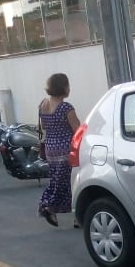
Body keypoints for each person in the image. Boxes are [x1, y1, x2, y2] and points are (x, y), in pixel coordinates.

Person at [37, 73, 80, 227]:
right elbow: (77, 130)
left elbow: (44, 126)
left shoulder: (43, 105)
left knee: (56, 179)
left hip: (50, 148)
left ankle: (53, 209)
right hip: (66, 150)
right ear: (63, 87)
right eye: (68, 85)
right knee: (71, 182)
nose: (69, 88)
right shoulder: (66, 108)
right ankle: (53, 208)